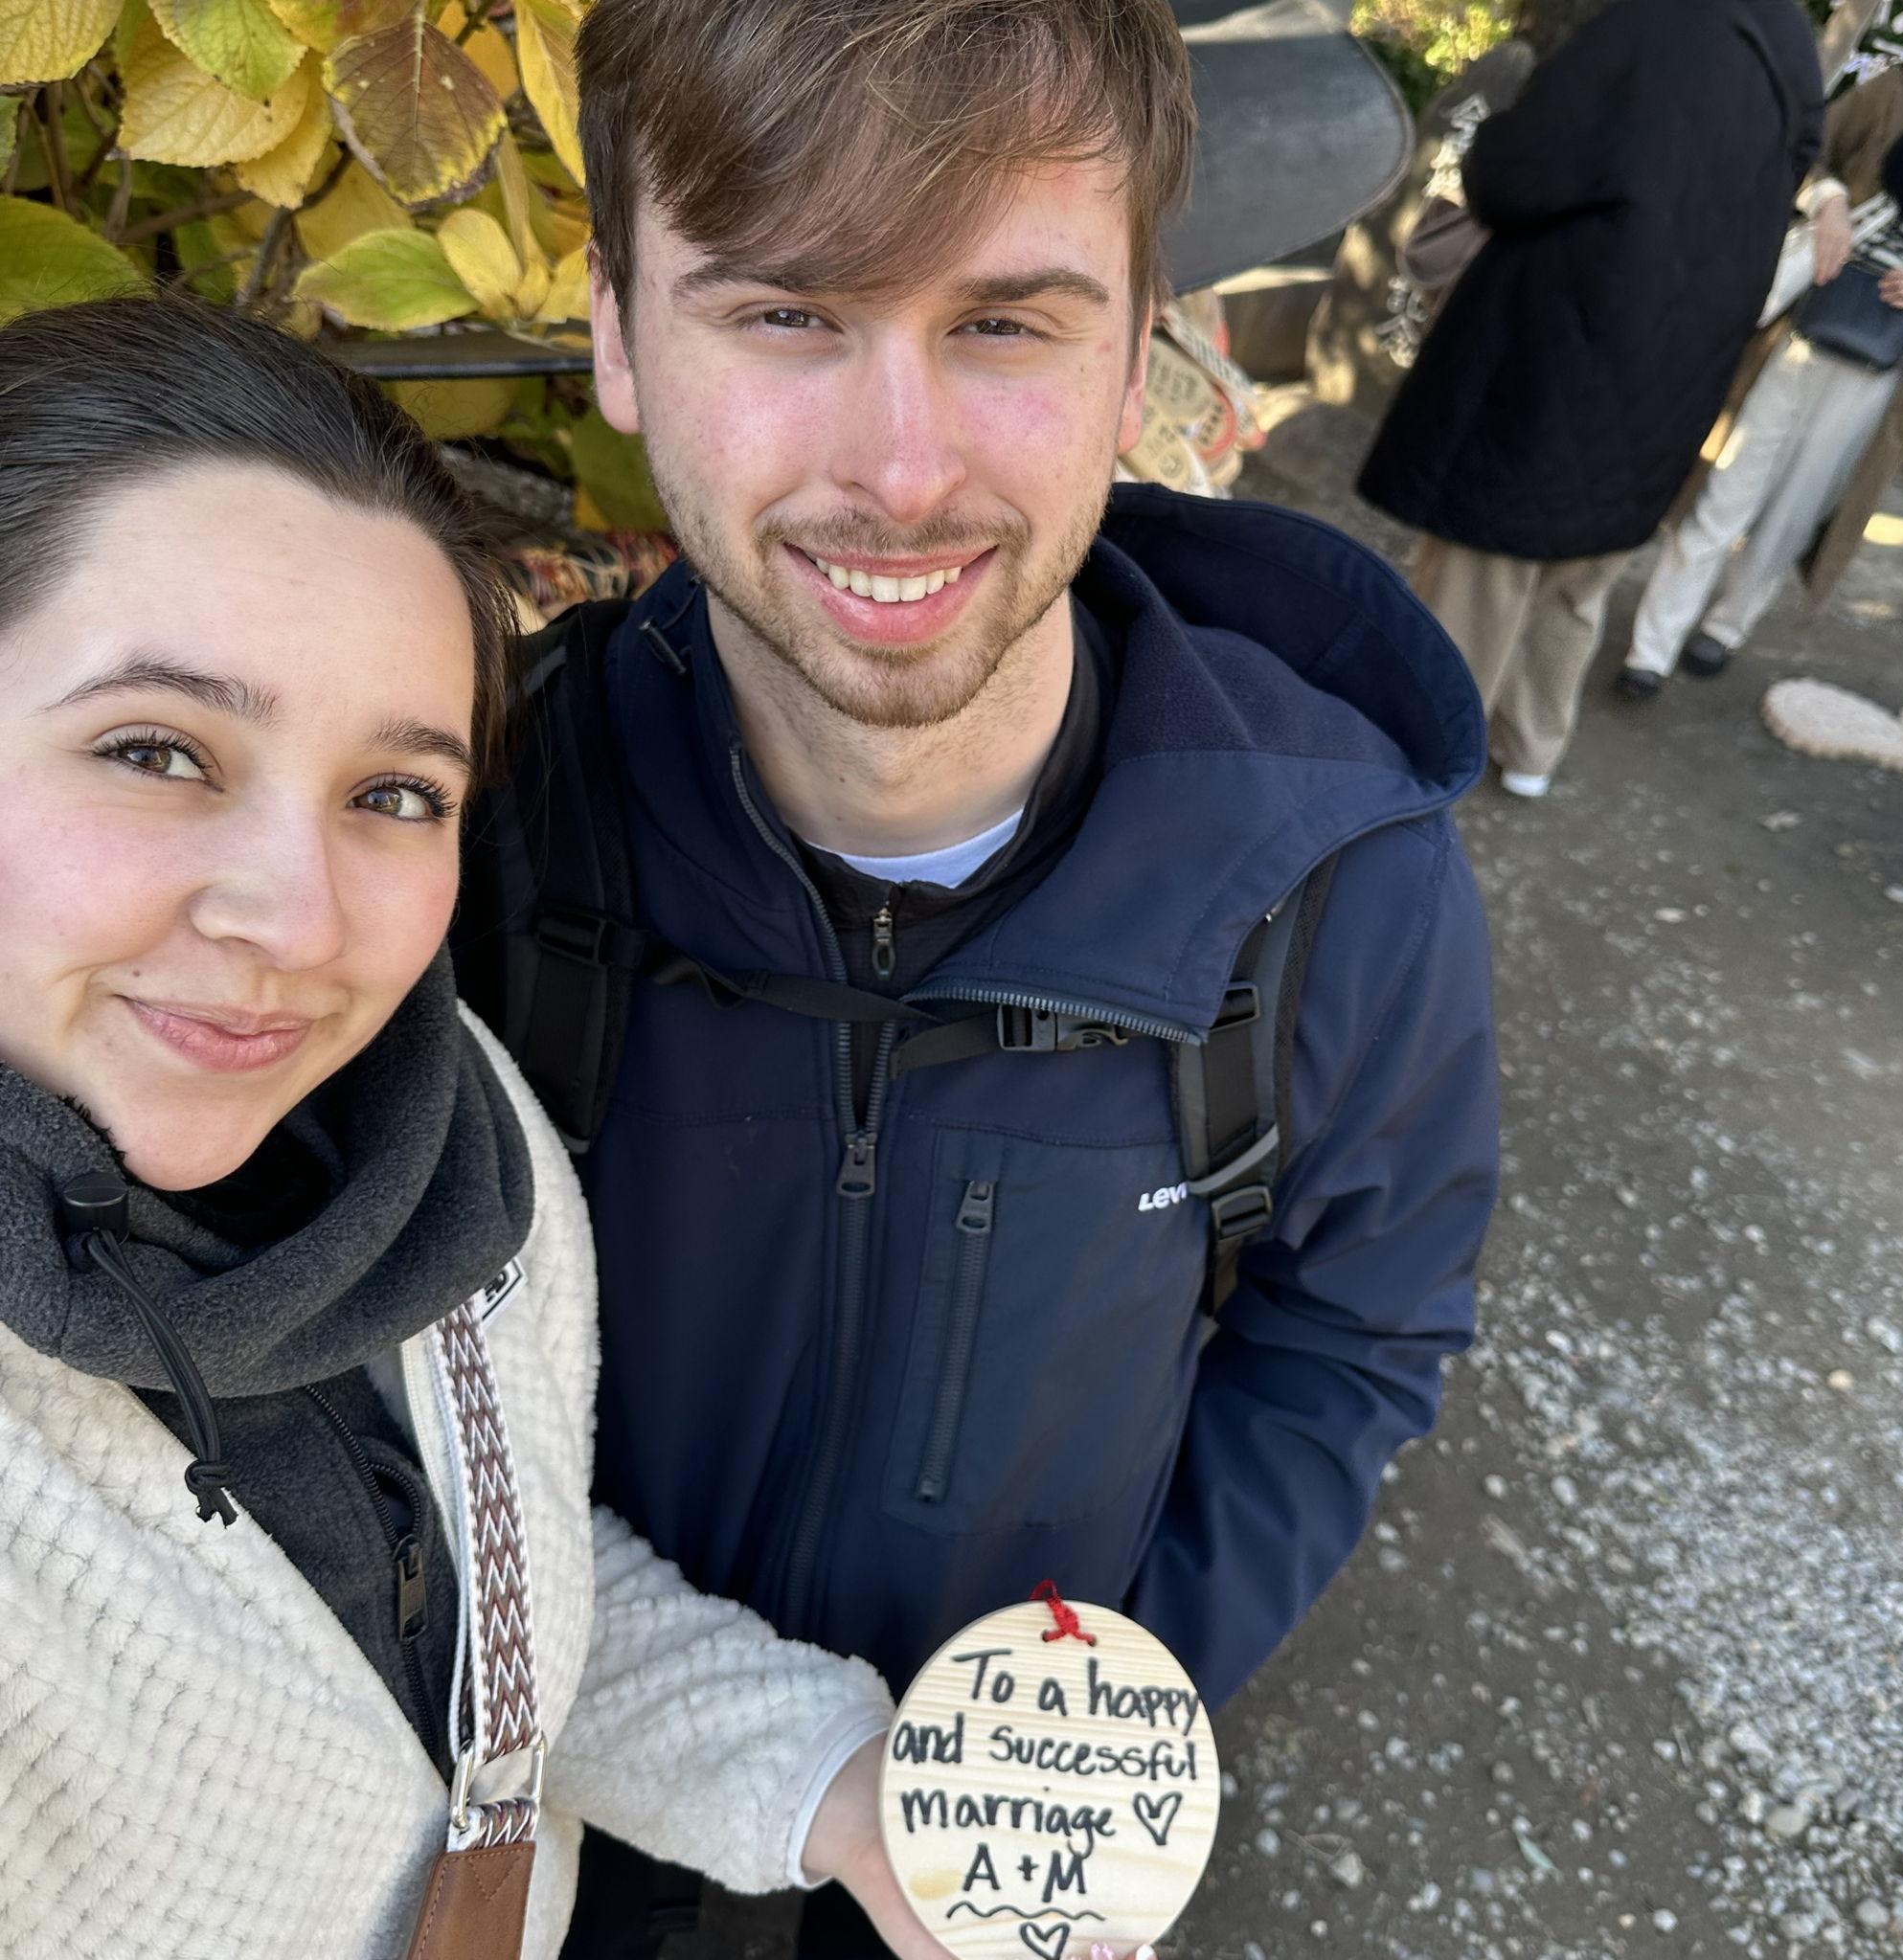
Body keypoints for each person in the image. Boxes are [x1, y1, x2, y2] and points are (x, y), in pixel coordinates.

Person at [453, 2, 1503, 1953]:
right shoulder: (472, 841)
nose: (902, 467)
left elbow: (1355, 1326)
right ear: (612, 331)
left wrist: (1100, 1722)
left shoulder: (1342, 895)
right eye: (782, 313)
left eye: (1004, 322)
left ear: (1139, 347)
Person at [0, 294, 941, 1960]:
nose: (300, 920)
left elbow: (472, 1588)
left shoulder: (441, 1134)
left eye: (394, 793)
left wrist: (830, 1779)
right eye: (157, 750)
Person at [1356, 0, 1824, 796]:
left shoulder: (1650, 25)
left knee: (1479, 579)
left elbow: (1516, 175)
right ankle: (1531, 751)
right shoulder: (1788, 44)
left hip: (1559, 356)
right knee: (1576, 584)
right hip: (1679, 363)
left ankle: (1418, 771)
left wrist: (1502, 133)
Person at [1618, 62, 1903, 695]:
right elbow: (1805, 147)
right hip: (1804, 325)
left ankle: (1726, 626)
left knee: (1797, 508)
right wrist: (1828, 203)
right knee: (1728, 485)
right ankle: (1652, 646)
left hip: (1890, 364)